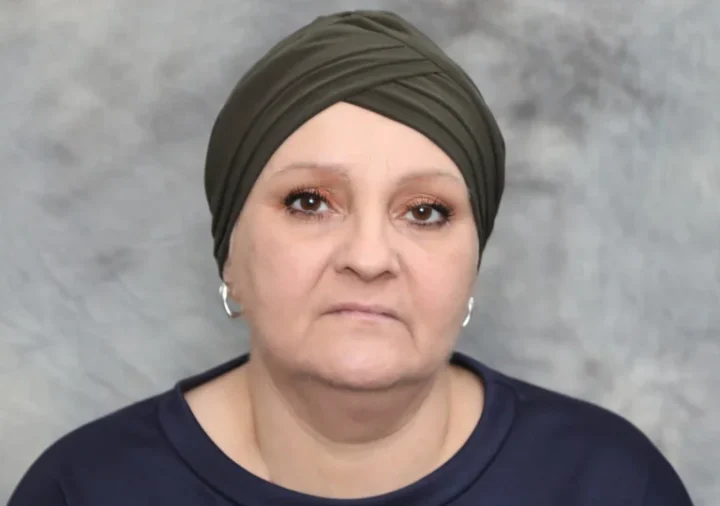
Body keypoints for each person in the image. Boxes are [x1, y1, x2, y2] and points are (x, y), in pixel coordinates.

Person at [8, 9, 693, 506]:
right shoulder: (86, 489)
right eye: (310, 202)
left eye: (425, 212)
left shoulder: (609, 484)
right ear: (230, 257)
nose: (368, 258)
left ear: (472, 266)